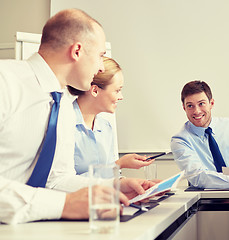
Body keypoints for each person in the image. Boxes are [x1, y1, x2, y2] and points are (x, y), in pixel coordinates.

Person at [0, 9, 154, 224]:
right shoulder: (5, 82)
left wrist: (113, 187)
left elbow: (56, 180)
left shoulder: (61, 104)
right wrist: (63, 205)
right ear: (77, 51)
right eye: (100, 55)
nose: (101, 67)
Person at [68, 57, 155, 175]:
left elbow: (109, 177)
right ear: (95, 90)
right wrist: (119, 164)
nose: (121, 97)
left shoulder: (105, 127)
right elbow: (62, 182)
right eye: (117, 90)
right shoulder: (64, 125)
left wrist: (130, 186)